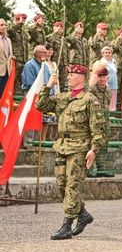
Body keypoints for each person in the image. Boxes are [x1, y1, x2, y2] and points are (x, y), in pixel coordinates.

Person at [36, 64, 106, 240]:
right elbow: (40, 105)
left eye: (71, 75)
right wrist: (49, 86)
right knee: (61, 184)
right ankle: (82, 214)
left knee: (73, 185)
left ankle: (66, 225)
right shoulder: (63, 97)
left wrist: (93, 150)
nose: (67, 77)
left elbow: (98, 129)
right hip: (62, 145)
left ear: (81, 77)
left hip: (80, 147)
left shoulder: (90, 100)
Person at [88, 67, 112, 177]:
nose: (102, 79)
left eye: (104, 77)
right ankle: (90, 168)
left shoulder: (108, 91)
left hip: (105, 122)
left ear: (107, 78)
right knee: (93, 145)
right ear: (97, 78)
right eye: (100, 77)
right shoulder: (92, 90)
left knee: (104, 145)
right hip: (95, 122)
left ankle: (101, 169)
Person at [8, 13, 30, 93]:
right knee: (13, 77)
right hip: (16, 58)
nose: (22, 22)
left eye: (24, 20)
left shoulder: (23, 33)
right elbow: (10, 31)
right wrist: (18, 23)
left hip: (23, 59)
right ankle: (10, 93)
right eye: (20, 20)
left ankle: (18, 93)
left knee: (21, 78)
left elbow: (27, 45)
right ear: (15, 20)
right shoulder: (12, 30)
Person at [46, 21, 67, 89]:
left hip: (63, 63)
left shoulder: (63, 39)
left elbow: (66, 52)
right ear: (54, 27)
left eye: (61, 27)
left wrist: (67, 63)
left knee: (62, 82)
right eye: (57, 26)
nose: (59, 28)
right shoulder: (50, 37)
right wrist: (55, 33)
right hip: (55, 62)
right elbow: (49, 45)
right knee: (54, 80)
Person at [99, 47, 118, 111]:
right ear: (103, 54)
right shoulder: (101, 62)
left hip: (114, 84)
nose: (107, 54)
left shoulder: (113, 61)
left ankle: (112, 114)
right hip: (106, 84)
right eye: (106, 53)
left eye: (109, 53)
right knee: (106, 100)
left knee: (113, 100)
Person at [0, 18, 13, 97]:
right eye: (1, 25)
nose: (4, 27)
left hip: (7, 72)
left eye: (5, 25)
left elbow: (9, 55)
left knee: (3, 96)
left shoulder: (8, 40)